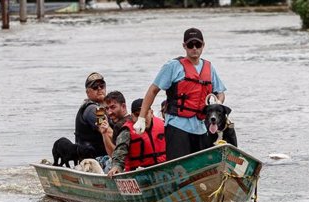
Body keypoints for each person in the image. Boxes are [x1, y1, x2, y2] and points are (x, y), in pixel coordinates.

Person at [133, 28, 227, 160]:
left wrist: (218, 102)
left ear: (203, 45)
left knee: (202, 165)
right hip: (177, 126)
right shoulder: (172, 66)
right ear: (184, 46)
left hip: (200, 127)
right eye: (190, 45)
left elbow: (220, 92)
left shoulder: (209, 68)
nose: (194, 48)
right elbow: (153, 90)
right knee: (180, 165)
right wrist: (141, 118)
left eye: (198, 45)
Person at [106, 98, 167, 177]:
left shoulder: (163, 125)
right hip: (139, 172)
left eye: (145, 114)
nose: (141, 118)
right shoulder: (126, 131)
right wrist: (117, 166)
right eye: (137, 115)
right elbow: (120, 150)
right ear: (132, 116)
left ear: (151, 113)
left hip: (165, 168)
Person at [75, 72, 111, 159]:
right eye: (95, 87)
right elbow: (109, 132)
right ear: (88, 92)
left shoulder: (107, 108)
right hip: (94, 159)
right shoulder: (94, 110)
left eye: (102, 86)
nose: (99, 89)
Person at [96, 90, 130, 173]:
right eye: (107, 108)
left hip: (127, 167)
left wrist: (104, 134)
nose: (109, 112)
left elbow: (113, 154)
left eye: (113, 107)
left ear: (123, 106)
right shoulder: (132, 120)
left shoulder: (120, 126)